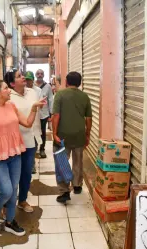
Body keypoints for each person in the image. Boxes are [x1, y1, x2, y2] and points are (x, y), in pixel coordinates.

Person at [0, 79, 46, 235]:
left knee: (14, 190)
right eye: (5, 88)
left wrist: (34, 108)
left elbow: (28, 123)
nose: (9, 90)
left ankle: (10, 221)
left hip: (15, 155)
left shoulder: (12, 106)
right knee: (6, 190)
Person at [52, 72, 92, 203]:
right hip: (79, 134)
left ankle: (64, 191)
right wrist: (87, 134)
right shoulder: (84, 96)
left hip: (63, 135)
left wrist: (54, 133)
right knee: (78, 160)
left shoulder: (60, 95)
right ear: (79, 83)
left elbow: (56, 116)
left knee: (61, 162)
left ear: (66, 82)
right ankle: (77, 185)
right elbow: (88, 118)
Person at [5, 69, 42, 212]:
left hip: (30, 138)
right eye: (19, 76)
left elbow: (35, 114)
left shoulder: (32, 92)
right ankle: (8, 201)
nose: (24, 77)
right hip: (14, 141)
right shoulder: (8, 96)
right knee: (13, 173)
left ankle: (22, 200)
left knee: (26, 172)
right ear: (12, 83)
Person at [25, 71, 42, 174]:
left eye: (29, 80)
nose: (28, 82)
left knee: (34, 144)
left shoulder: (38, 91)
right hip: (25, 121)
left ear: (32, 80)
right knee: (27, 144)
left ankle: (32, 164)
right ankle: (29, 164)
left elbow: (41, 103)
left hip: (35, 120)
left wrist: (38, 105)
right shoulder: (23, 91)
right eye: (26, 80)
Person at [35, 69, 53, 158]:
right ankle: (34, 149)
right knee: (34, 132)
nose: (39, 75)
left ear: (44, 75)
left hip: (44, 114)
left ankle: (42, 149)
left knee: (42, 132)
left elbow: (50, 99)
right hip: (34, 113)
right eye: (38, 74)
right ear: (35, 75)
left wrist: (51, 113)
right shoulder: (31, 85)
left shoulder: (48, 86)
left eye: (41, 74)